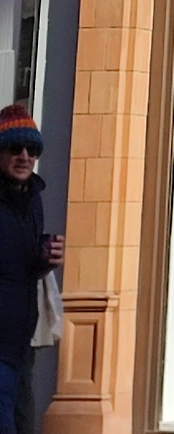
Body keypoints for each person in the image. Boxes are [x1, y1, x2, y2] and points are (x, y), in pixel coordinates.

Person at [0, 106, 63, 434]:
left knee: (23, 421)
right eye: (15, 148)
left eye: (32, 149)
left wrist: (45, 257)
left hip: (22, 340)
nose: (24, 156)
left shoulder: (32, 197)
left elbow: (20, 265)